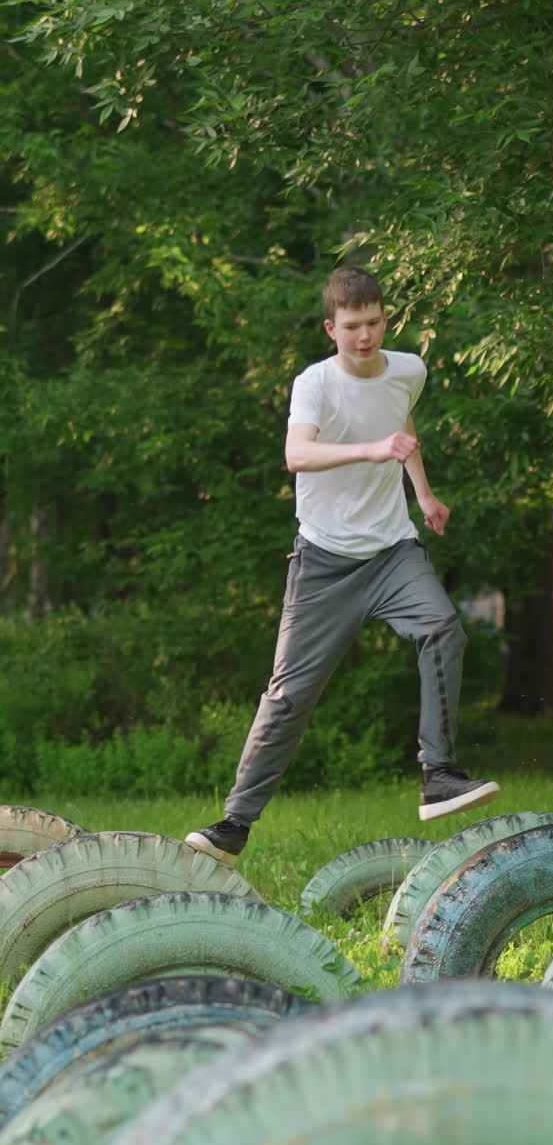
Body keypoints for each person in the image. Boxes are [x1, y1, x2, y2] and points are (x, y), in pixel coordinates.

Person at [185, 266, 499, 867]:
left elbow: (402, 421)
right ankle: (233, 824)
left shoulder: (409, 369)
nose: (365, 337)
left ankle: (439, 774)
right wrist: (372, 450)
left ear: (386, 319)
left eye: (375, 323)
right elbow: (295, 454)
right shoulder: (316, 384)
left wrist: (424, 493)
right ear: (332, 327)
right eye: (352, 327)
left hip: (392, 551)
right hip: (324, 562)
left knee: (441, 629)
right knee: (289, 695)